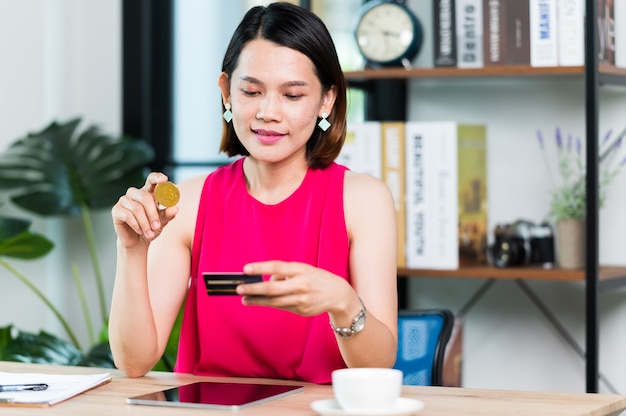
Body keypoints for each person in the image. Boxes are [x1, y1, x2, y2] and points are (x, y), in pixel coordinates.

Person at [108, 2, 398, 384]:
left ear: (327, 99)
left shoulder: (363, 200)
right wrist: (132, 250)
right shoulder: (189, 204)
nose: (268, 112)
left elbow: (377, 368)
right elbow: (134, 363)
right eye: (251, 91)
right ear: (227, 91)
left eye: (292, 96)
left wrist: (343, 304)